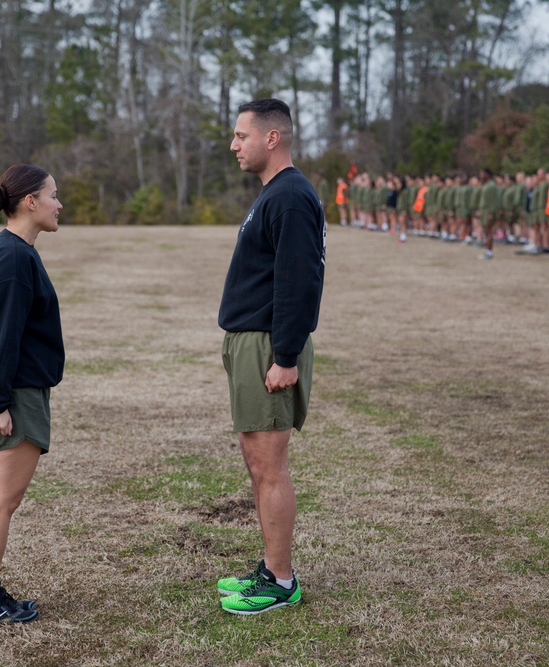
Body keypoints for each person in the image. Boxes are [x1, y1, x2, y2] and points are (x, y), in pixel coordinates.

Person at [217, 98, 325, 615]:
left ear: (272, 138)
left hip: (268, 345)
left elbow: (298, 283)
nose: (234, 145)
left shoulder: (289, 197)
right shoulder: (274, 194)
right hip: (251, 341)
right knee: (257, 464)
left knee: (269, 467)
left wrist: (284, 355)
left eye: (242, 136)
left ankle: (281, 582)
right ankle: (270, 567)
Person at [0, 164, 65, 623]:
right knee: (2, 499)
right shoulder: (12, 258)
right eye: (53, 196)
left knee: (2, 498)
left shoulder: (13, 251)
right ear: (30, 202)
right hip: (13, 394)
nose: (59, 204)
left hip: (18, 390)